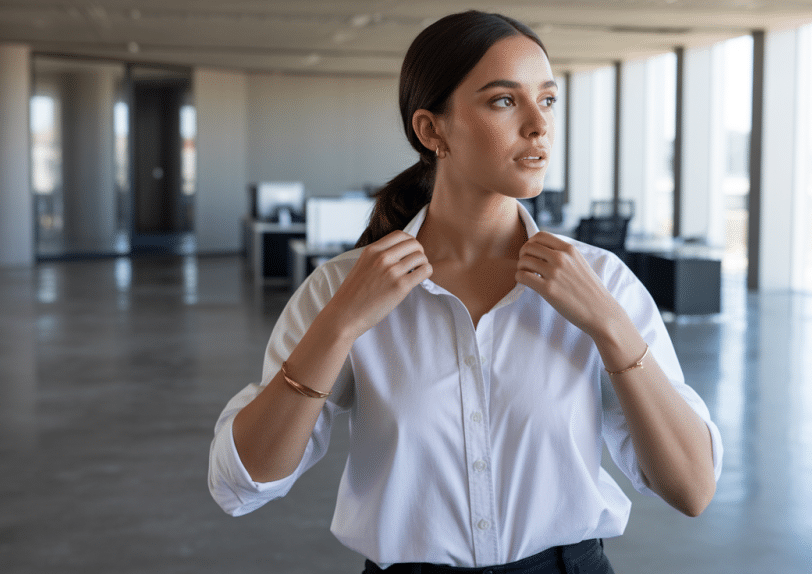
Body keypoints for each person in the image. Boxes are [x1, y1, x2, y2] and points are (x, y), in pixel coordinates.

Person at [208, 10, 723, 573]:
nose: (538, 125)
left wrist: (611, 326)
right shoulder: (341, 288)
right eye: (504, 100)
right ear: (432, 131)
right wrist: (338, 326)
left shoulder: (602, 281)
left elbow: (692, 489)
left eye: (547, 100)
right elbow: (244, 482)